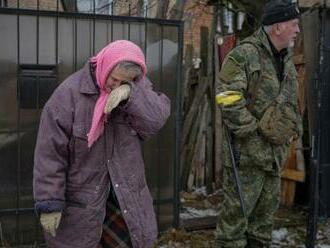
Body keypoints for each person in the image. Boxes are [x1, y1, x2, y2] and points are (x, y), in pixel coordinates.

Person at [33, 40, 171, 248]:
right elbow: (50, 154)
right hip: (83, 203)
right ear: (105, 66)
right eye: (114, 79)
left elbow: (156, 119)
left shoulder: (136, 86)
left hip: (125, 199)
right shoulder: (68, 95)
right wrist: (49, 202)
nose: (116, 85)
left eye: (125, 82)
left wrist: (131, 95)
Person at [215, 0, 302, 247]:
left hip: (274, 157)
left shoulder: (285, 59)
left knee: (262, 227)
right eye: (294, 24)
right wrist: (253, 134)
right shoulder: (243, 55)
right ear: (277, 27)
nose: (297, 30)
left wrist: (295, 129)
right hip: (247, 158)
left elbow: (291, 100)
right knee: (234, 227)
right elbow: (226, 97)